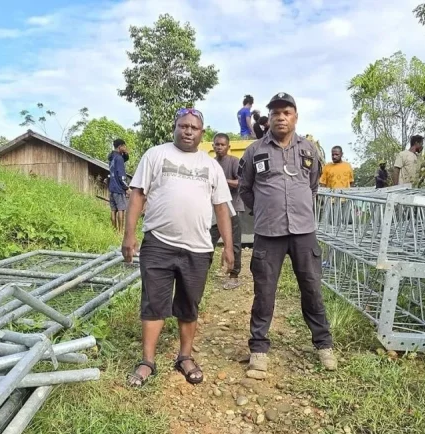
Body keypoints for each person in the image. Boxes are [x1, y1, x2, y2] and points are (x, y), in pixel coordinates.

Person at [122, 108, 235, 388]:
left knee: (189, 304)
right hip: (159, 243)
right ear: (174, 128)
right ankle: (147, 361)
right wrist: (129, 235)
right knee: (153, 302)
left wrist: (229, 248)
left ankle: (184, 357)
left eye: (194, 128)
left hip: (198, 247)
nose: (187, 131)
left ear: (202, 133)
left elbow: (221, 208)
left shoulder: (211, 167)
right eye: (183, 126)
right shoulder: (156, 154)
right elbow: (137, 194)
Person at [239, 92, 336, 379]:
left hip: (304, 232)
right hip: (269, 233)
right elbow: (245, 189)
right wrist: (266, 211)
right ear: (268, 118)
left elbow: (313, 185)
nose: (281, 117)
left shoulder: (309, 149)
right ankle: (258, 350)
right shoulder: (254, 151)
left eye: (286, 112)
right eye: (275, 113)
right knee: (264, 292)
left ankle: (324, 345)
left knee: (312, 288)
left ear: (295, 117)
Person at [209, 133, 243, 290]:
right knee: (208, 241)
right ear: (212, 146)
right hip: (216, 209)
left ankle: (234, 276)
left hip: (234, 208)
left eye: (222, 145)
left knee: (234, 243)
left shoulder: (234, 162)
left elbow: (240, 183)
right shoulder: (211, 164)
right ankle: (201, 271)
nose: (219, 147)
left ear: (228, 147)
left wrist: (222, 181)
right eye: (217, 144)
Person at [108, 139, 130, 232]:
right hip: (118, 188)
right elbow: (121, 175)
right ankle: (120, 232)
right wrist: (126, 187)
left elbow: (125, 158)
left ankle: (114, 230)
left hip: (111, 187)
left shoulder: (112, 157)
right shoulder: (119, 158)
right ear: (119, 147)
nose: (125, 148)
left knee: (113, 210)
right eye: (124, 146)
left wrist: (125, 153)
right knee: (121, 209)